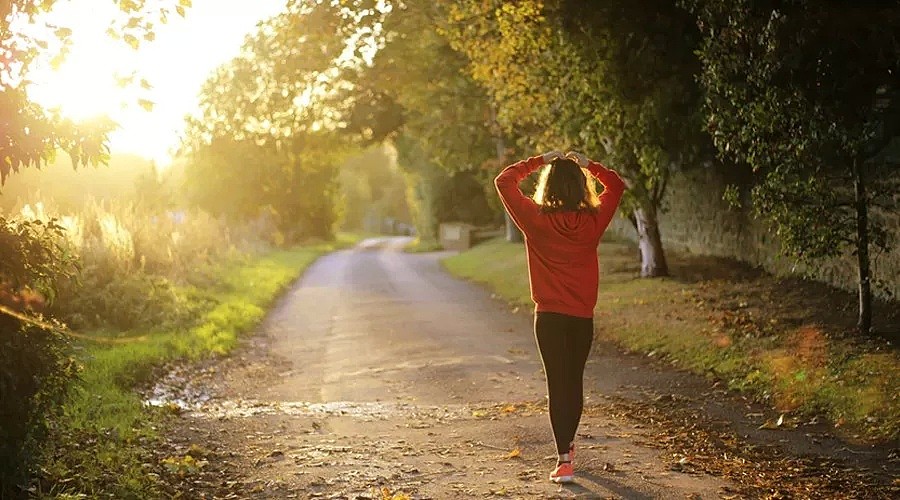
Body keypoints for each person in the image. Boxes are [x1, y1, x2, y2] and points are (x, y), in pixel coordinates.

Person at [494, 150, 625, 483]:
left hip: (549, 317)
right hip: (581, 317)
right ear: (581, 187)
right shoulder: (594, 220)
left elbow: (504, 181)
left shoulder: (535, 219)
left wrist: (540, 159)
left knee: (557, 383)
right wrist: (589, 164)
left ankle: (564, 459)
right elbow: (617, 185)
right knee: (574, 381)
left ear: (547, 186)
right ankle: (568, 446)